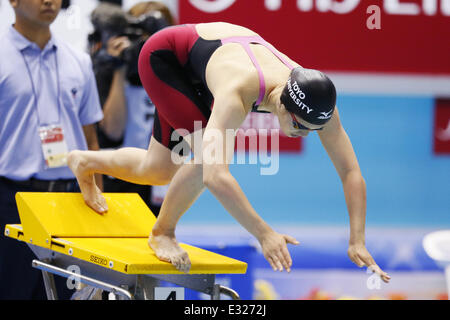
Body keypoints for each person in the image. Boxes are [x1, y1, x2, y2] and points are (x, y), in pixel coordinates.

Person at [67, 22, 391, 282]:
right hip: (165, 58)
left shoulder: (319, 105)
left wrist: (357, 239)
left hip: (204, 67)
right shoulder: (238, 91)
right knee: (205, 161)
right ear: (280, 102)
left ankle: (84, 161)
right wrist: (264, 234)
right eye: (298, 125)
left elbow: (351, 172)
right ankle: (162, 232)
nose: (303, 133)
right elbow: (216, 176)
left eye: (311, 129)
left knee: (158, 170)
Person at [0, 0, 103, 299]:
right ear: (13, 1)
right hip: (12, 200)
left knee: (60, 295)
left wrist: (100, 209)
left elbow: (91, 142)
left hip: (68, 200)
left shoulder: (79, 61)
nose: (49, 1)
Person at [88, 1, 174, 216]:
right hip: (120, 177)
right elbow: (112, 130)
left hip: (160, 181)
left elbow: (187, 134)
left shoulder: (176, 73)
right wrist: (119, 69)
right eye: (139, 37)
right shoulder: (109, 67)